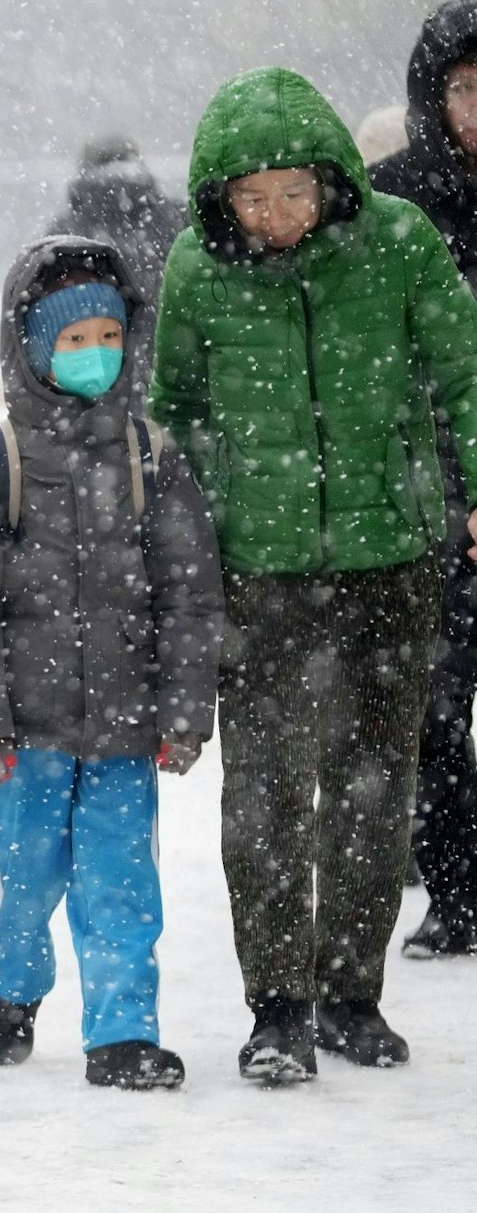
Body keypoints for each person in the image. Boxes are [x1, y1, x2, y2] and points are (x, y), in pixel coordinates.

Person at [149, 66, 477, 1084]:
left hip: (390, 558)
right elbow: (172, 406)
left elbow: (464, 370)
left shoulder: (398, 243)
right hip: (261, 572)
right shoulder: (197, 272)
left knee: (375, 788)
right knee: (265, 794)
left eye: (293, 191)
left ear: (331, 180)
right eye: (252, 197)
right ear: (221, 200)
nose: (277, 215)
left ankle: (350, 995)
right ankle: (275, 1008)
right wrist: (189, 524)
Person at [0, 237, 221, 1090]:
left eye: (110, 334)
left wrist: (182, 710)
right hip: (23, 731)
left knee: (123, 881)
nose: (96, 354)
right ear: (31, 349)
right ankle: (17, 986)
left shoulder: (152, 460)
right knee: (27, 878)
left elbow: (189, 595)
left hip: (126, 727)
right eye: (73, 338)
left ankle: (123, 1029)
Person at [369, 0, 477, 959]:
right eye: (467, 90)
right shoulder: (391, 203)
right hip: (427, 495)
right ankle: (457, 887)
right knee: (437, 705)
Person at [45, 135, 189, 308]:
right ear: (139, 164)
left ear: (84, 169)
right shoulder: (176, 216)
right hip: (169, 328)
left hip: (95, 330)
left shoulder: (64, 231)